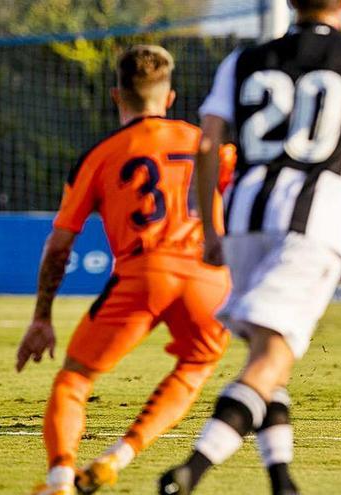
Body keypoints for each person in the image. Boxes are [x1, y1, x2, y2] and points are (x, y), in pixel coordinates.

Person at [158, 0, 341, 493]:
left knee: (268, 352)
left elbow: (207, 147)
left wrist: (210, 229)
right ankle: (193, 468)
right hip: (313, 219)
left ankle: (280, 476)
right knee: (272, 355)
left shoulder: (242, 60)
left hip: (245, 216)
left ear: (290, 3)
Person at [16, 45, 235, 495]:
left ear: (117, 96)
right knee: (196, 365)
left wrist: (42, 318)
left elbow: (59, 246)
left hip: (145, 272)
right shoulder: (207, 143)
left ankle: (59, 480)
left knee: (75, 379)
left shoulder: (101, 155)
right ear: (169, 97)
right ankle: (119, 457)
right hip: (210, 277)